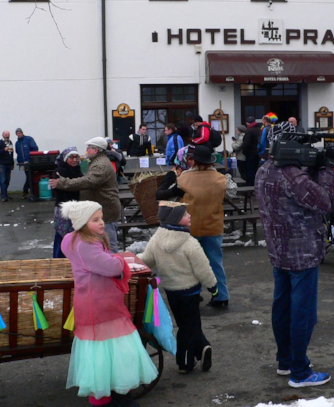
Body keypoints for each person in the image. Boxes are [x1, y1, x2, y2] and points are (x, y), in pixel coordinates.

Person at [254, 120, 334, 388]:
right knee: (303, 313)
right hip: (302, 253)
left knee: (282, 307)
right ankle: (300, 372)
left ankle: (285, 360)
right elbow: (324, 202)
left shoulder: (264, 170)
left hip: (278, 251)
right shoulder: (293, 176)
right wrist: (324, 169)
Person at [60, 201, 157, 406]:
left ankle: (104, 396)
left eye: (101, 218)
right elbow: (112, 267)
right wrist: (121, 261)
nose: (102, 223)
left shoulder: (72, 239)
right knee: (116, 349)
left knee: (100, 353)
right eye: (95, 220)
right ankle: (119, 396)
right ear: (81, 223)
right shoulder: (86, 245)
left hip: (90, 303)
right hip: (101, 306)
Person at [139, 202, 218, 374]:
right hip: (190, 291)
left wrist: (131, 260)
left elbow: (147, 260)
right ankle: (185, 363)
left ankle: (202, 348)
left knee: (185, 323)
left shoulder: (156, 240)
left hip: (171, 291)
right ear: (175, 220)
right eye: (184, 214)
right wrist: (213, 287)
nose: (189, 215)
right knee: (189, 326)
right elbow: (203, 269)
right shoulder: (190, 243)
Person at [177, 144, 229, 308]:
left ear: (194, 161)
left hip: (190, 226)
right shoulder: (221, 179)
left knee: (191, 264)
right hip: (213, 225)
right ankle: (221, 295)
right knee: (215, 262)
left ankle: (194, 294)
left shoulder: (183, 178)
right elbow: (231, 193)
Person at [49, 137, 122, 253]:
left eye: (89, 148)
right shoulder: (95, 162)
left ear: (96, 150)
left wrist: (63, 182)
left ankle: (113, 268)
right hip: (95, 211)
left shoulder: (101, 165)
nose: (87, 150)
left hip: (106, 211)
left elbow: (89, 181)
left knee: (108, 245)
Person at [51, 147, 83, 258]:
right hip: (63, 209)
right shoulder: (59, 171)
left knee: (75, 236)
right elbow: (57, 188)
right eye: (71, 157)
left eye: (76, 157)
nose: (74, 160)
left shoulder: (78, 170)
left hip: (77, 208)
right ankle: (59, 260)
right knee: (62, 235)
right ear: (65, 158)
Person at [14, 128, 38, 199]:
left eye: (20, 133)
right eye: (17, 133)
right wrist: (20, 161)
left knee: (30, 177)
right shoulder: (17, 143)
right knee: (29, 176)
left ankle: (26, 191)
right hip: (23, 163)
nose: (19, 134)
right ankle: (30, 192)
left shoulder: (28, 139)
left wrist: (32, 159)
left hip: (30, 162)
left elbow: (35, 148)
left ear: (22, 133)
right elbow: (18, 152)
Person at [0, 130, 15, 201]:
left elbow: (11, 153)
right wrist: (4, 150)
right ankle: (3, 196)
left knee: (7, 180)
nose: (7, 135)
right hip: (2, 164)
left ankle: (5, 194)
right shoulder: (0, 142)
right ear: (3, 135)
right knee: (2, 180)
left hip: (9, 164)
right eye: (6, 134)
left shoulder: (10, 142)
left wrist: (12, 163)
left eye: (8, 134)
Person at [242, 116, 262, 186]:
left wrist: (244, 152)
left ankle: (250, 187)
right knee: (257, 170)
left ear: (248, 123)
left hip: (250, 153)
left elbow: (247, 143)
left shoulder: (249, 131)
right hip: (258, 153)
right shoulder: (259, 130)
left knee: (250, 171)